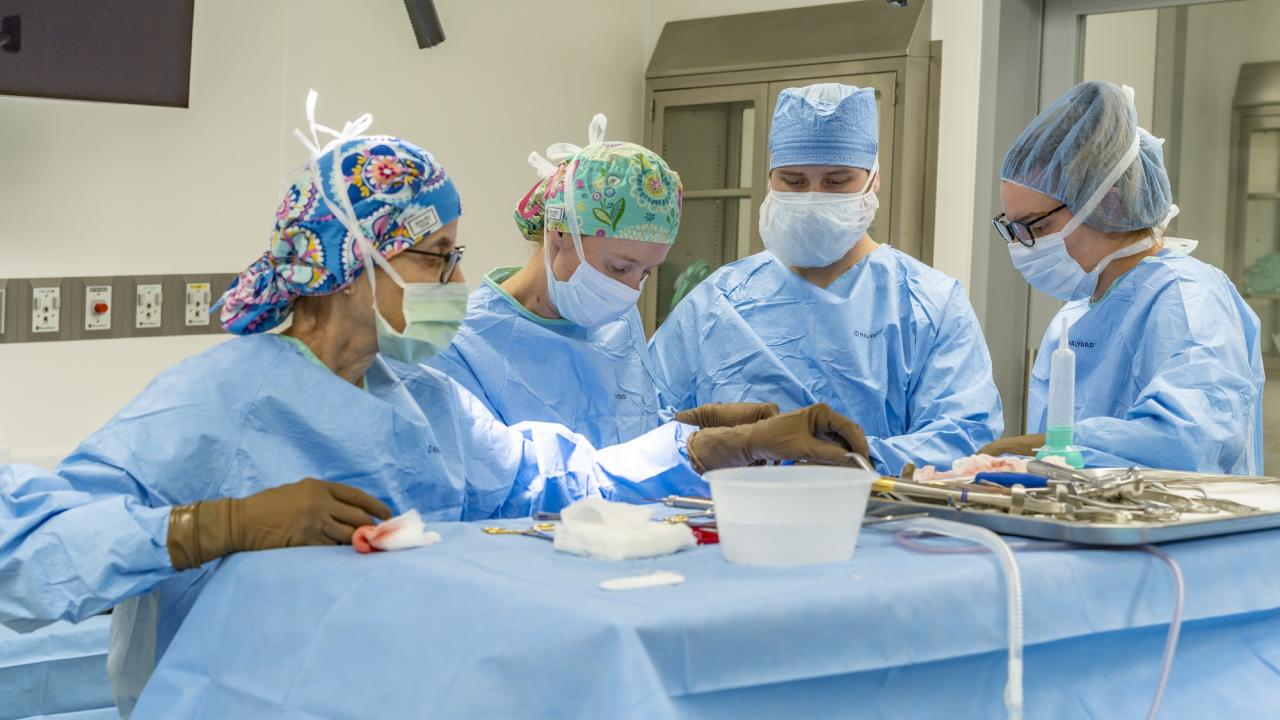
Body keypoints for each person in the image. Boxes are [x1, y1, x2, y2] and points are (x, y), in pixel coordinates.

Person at [0, 96, 868, 715]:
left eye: (458, 257)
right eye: (434, 259)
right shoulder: (214, 398)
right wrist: (210, 527)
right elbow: (29, 547)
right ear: (350, 260)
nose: (459, 284)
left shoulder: (419, 397)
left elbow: (549, 481)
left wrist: (714, 446)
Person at [648, 83, 1004, 474]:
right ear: (770, 180)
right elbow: (646, 422)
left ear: (873, 181)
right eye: (794, 181)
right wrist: (733, 445)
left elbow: (964, 437)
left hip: (876, 521)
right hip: (728, 519)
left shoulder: (929, 303)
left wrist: (848, 461)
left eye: (836, 182)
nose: (813, 196)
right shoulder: (718, 300)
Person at [430, 115, 778, 446]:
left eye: (645, 273)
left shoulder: (615, 322)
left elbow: (627, 430)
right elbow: (491, 477)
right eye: (618, 267)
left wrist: (697, 429)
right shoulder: (463, 344)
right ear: (560, 236)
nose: (629, 290)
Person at [980, 81, 1263, 473]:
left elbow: (1190, 441)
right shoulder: (1077, 313)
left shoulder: (1187, 298)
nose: (1023, 246)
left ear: (1109, 202)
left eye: (1036, 227)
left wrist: (1057, 448)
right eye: (1012, 229)